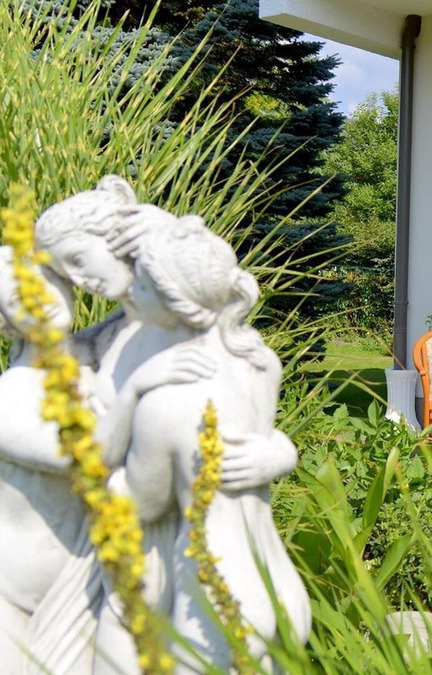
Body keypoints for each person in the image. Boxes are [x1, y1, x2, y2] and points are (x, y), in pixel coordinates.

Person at [0, 248, 211, 674]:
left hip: (91, 577)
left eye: (46, 285)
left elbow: (149, 302)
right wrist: (135, 390)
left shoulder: (95, 355)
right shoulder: (11, 395)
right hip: (14, 598)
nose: (38, 300)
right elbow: (88, 457)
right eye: (17, 298)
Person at [121, 219, 310, 670]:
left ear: (176, 302)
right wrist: (282, 449)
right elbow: (262, 437)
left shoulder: (164, 401)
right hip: (278, 582)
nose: (129, 293)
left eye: (142, 286)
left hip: (214, 595)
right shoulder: (259, 362)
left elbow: (142, 507)